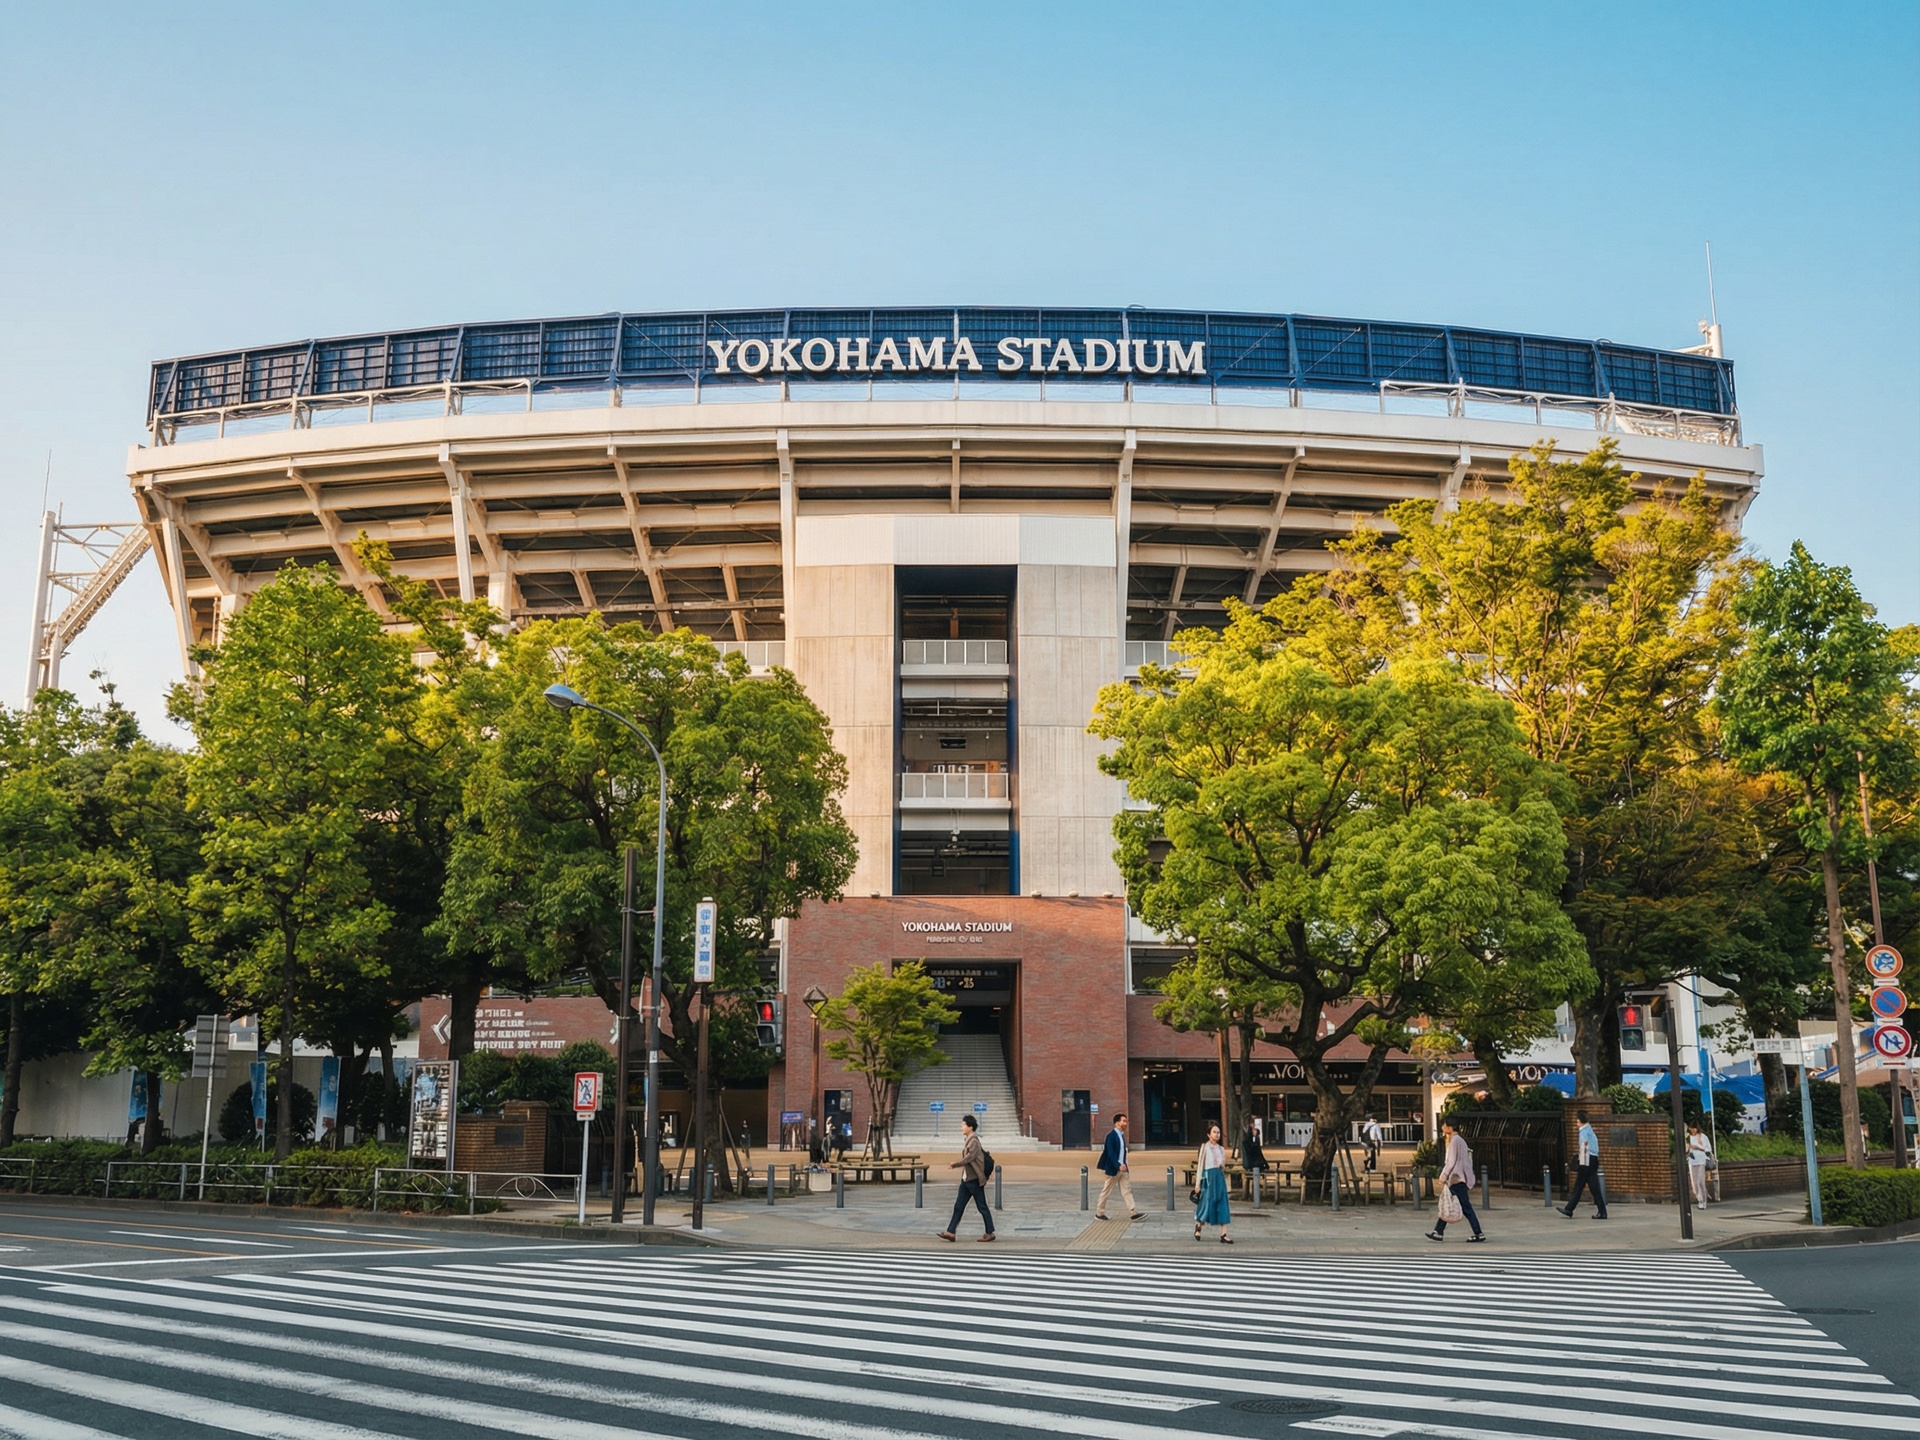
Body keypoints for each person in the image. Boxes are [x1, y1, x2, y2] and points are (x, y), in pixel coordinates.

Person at [938, 1113, 996, 1243]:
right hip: (967, 1179)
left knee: (982, 1206)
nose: (962, 1127)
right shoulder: (969, 1139)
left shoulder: (974, 1141)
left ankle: (989, 1232)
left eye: (964, 1124)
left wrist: (955, 1164)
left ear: (970, 1126)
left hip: (974, 1180)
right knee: (959, 1206)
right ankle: (951, 1232)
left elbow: (969, 1158)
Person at [1425, 1117, 1485, 1242]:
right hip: (1459, 1178)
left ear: (1450, 1128)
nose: (1443, 1128)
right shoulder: (1459, 1140)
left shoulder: (1455, 1141)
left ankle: (1478, 1233)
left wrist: (1444, 1174)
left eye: (1445, 1126)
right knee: (1450, 1203)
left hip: (1457, 1178)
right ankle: (1438, 1231)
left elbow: (1451, 1161)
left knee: (1464, 1207)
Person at [1095, 1113, 1145, 1220]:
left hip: (1123, 1169)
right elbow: (1111, 1153)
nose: (1125, 1123)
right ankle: (1099, 1213)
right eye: (1123, 1121)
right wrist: (1118, 1165)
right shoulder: (1111, 1136)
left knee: (1127, 1190)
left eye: (1126, 1121)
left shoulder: (1122, 1135)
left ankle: (1133, 1212)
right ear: (1117, 1123)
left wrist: (1125, 1165)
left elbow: (1122, 1152)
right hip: (1114, 1169)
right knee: (1106, 1191)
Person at [1561, 1109, 1608, 1219]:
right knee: (1592, 1187)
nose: (1576, 1122)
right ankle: (1601, 1211)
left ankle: (1569, 1209)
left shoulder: (1583, 1131)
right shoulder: (1590, 1130)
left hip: (1587, 1159)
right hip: (1593, 1159)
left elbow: (1584, 1146)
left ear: (1580, 1120)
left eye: (1577, 1120)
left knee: (1580, 1186)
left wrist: (1581, 1164)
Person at [1194, 1121, 1233, 1243]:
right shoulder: (1205, 1147)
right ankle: (1199, 1225)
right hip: (1209, 1178)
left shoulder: (1221, 1149)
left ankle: (1223, 1233)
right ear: (1209, 1134)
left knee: (1223, 1204)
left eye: (1218, 1132)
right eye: (1214, 1132)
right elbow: (1201, 1165)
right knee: (1207, 1203)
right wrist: (1198, 1183)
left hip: (1219, 1177)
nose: (1217, 1135)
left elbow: (1223, 1165)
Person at [1686, 1121, 1713, 1207]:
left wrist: (1698, 1147)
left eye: (1694, 1128)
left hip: (1701, 1161)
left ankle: (1703, 1202)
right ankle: (1699, 1199)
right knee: (1694, 1184)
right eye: (1691, 1128)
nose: (1693, 1130)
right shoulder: (1688, 1137)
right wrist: (1688, 1148)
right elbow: (1685, 1150)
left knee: (1700, 1182)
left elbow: (1708, 1149)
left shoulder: (1703, 1137)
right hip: (1692, 1161)